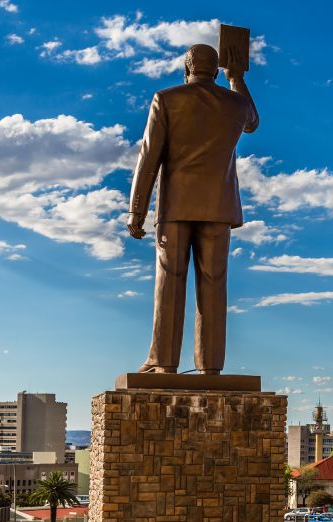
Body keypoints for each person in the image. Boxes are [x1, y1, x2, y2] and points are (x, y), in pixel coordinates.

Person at [126, 44, 258, 375]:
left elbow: (149, 157)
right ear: (215, 71)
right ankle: (210, 367)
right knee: (214, 284)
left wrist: (136, 211)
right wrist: (236, 79)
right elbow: (252, 122)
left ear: (187, 69)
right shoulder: (235, 103)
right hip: (219, 207)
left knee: (170, 281)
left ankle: (163, 362)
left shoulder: (167, 99)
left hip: (176, 206)